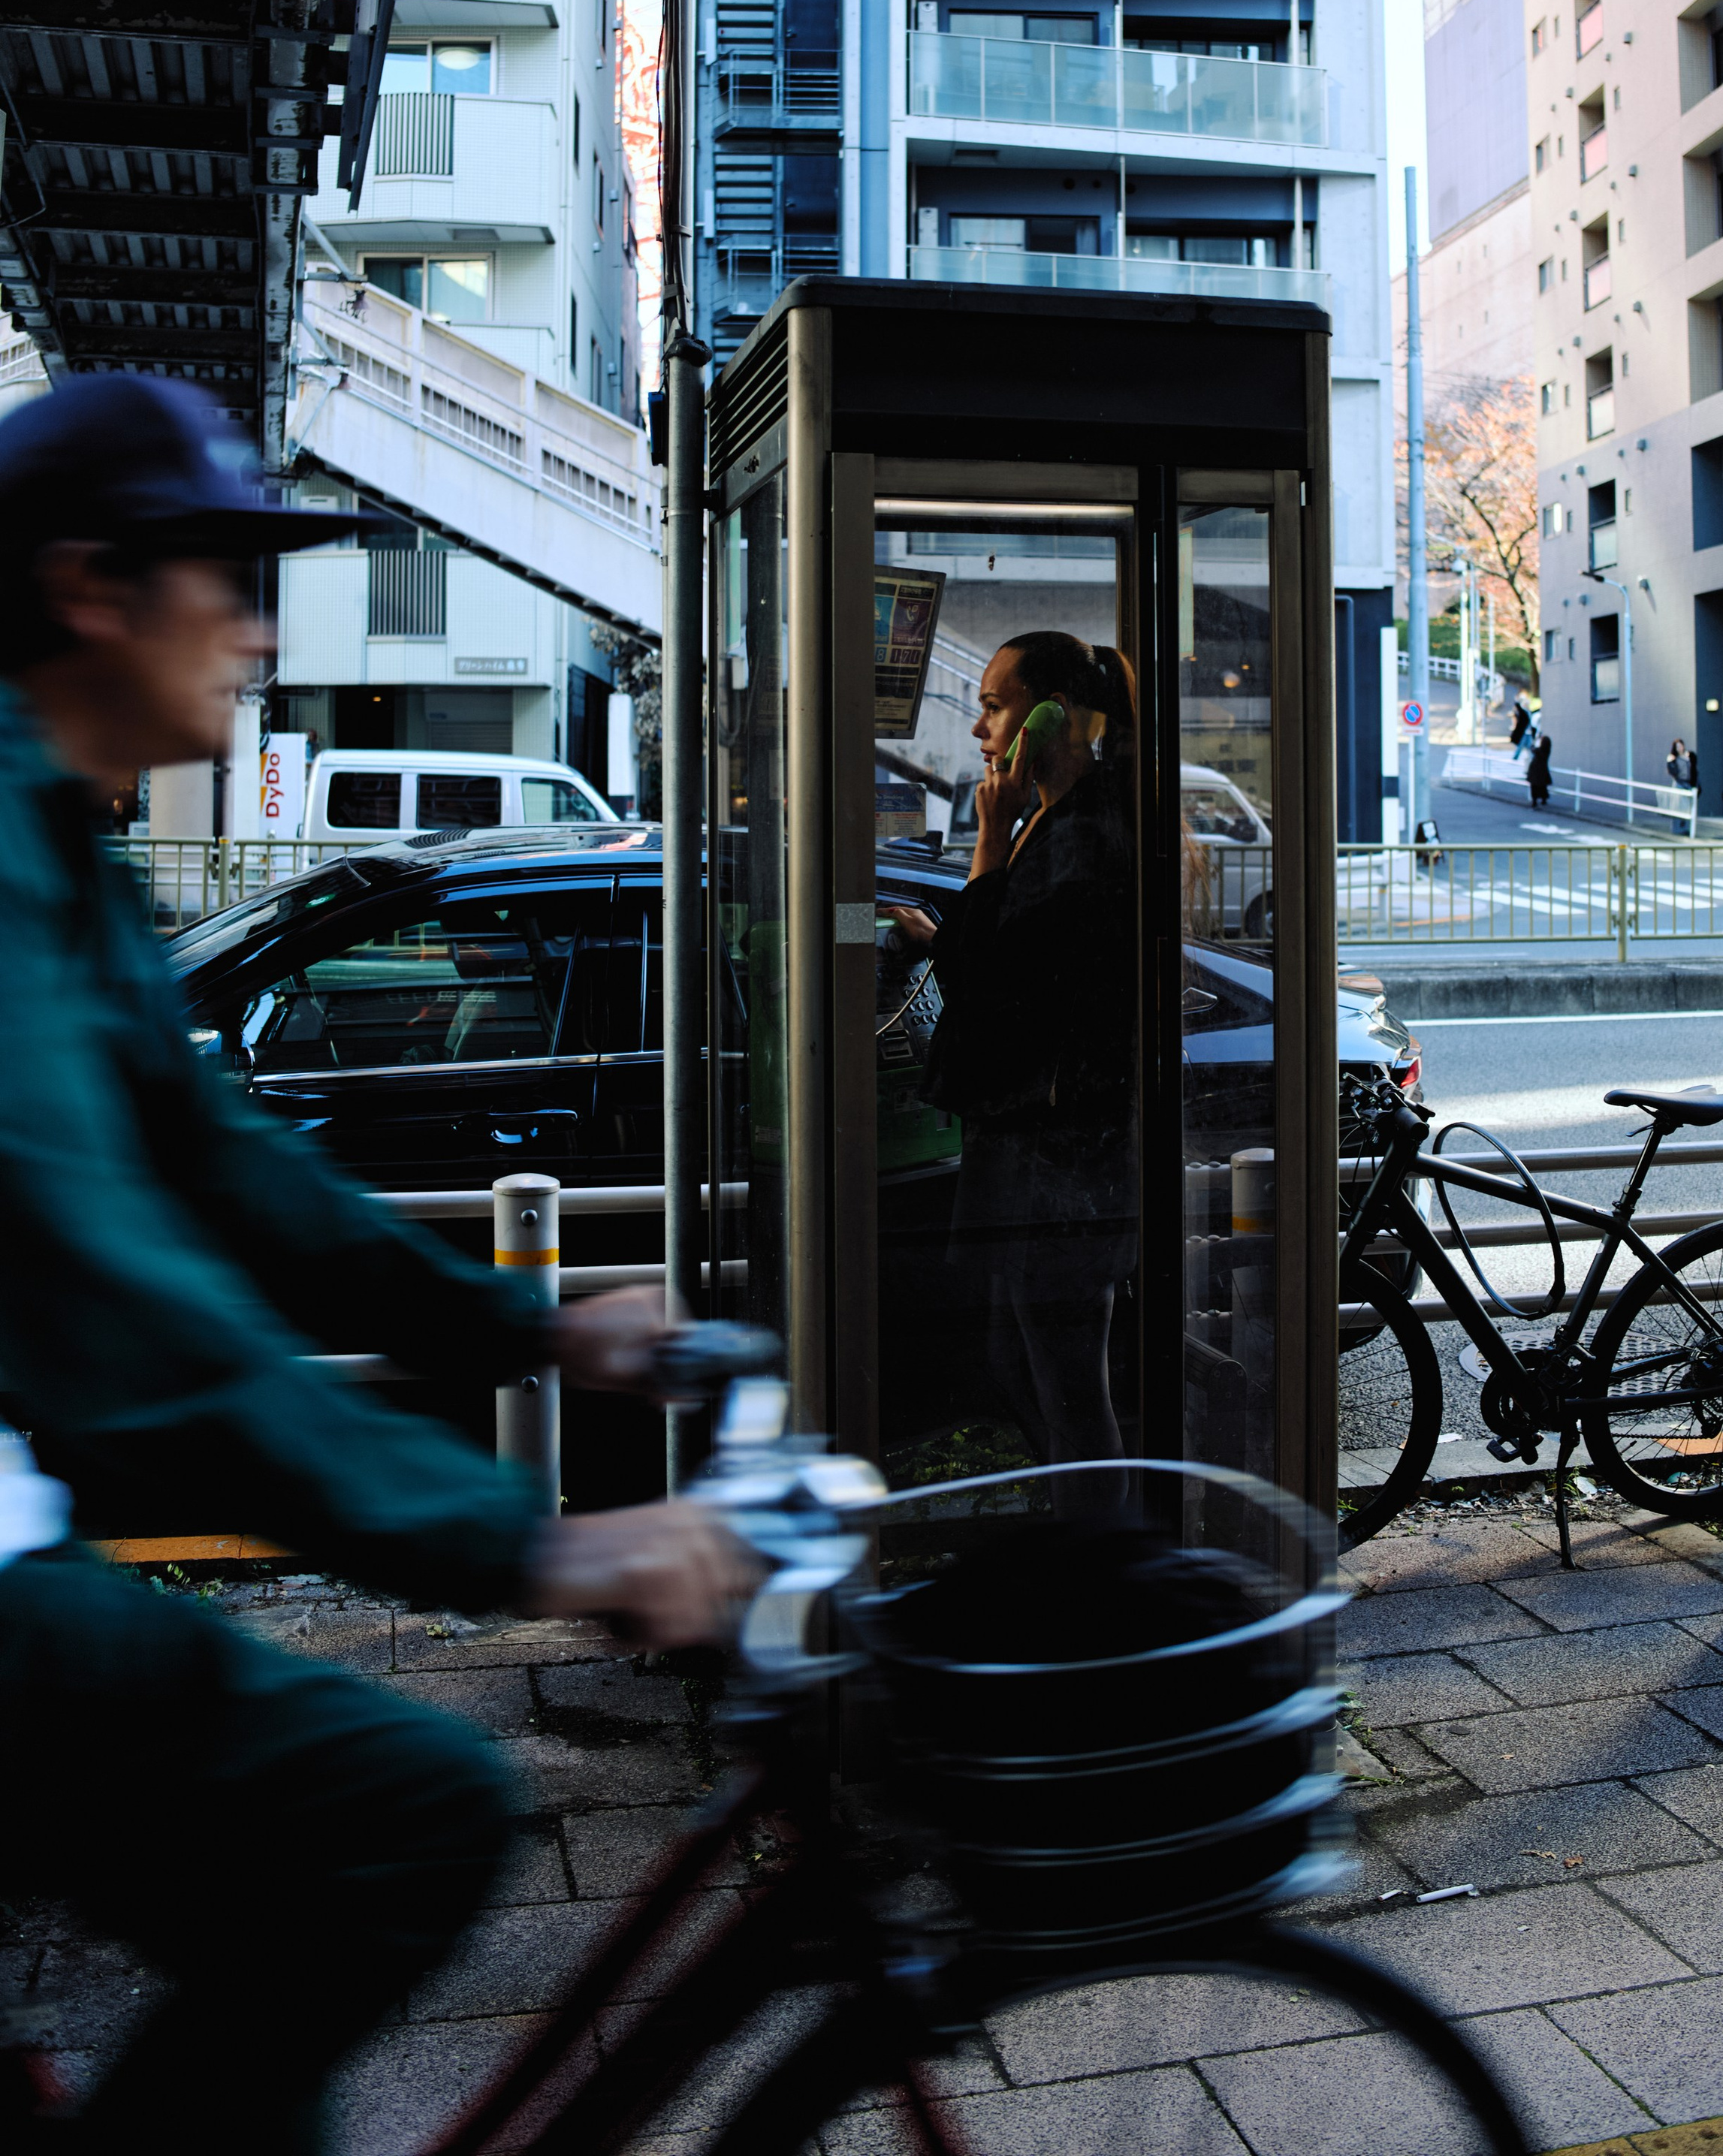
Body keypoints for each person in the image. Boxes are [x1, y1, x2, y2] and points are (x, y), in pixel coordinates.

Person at [0, 378, 751, 2152]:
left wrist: (548, 1328)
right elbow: (134, 1315)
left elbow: (247, 1184)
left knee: (267, 1977)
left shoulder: (62, 847)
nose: (261, 629)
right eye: (228, 577)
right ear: (95, 587)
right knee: (409, 1801)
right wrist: (535, 1539)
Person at [890, 632, 1136, 1500]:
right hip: (1048, 1152)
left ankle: (1106, 1562)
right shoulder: (1065, 818)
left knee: (1065, 1381)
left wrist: (987, 839)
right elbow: (1003, 952)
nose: (980, 729)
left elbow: (996, 987)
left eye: (994, 707)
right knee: (1021, 1359)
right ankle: (1089, 1538)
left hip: (1062, 1155)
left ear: (1049, 716)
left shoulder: (1082, 833)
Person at [1526, 729, 1553, 810]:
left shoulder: (1540, 751)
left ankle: (1535, 801)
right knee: (1543, 786)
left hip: (1536, 772)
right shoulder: (1546, 750)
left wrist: (1536, 740)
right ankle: (1543, 800)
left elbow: (1532, 748)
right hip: (1543, 771)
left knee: (1534, 787)